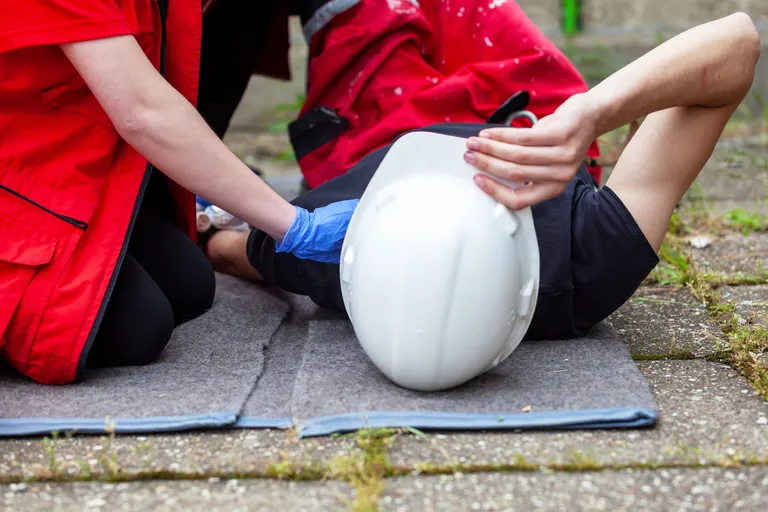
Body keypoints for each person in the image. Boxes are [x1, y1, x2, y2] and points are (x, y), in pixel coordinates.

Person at [208, 13, 761, 340]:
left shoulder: (341, 255)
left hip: (368, 129)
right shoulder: (592, 253)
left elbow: (239, 250)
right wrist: (587, 113)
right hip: (525, 108)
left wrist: (212, 230)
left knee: (361, 16)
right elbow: (737, 43)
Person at [0, 0, 357, 385]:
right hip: (20, 170)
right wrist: (293, 226)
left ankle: (217, 236)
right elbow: (143, 111)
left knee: (190, 286)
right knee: (133, 329)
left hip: (63, 159)